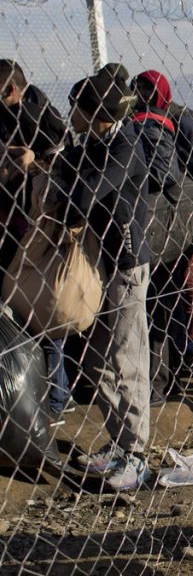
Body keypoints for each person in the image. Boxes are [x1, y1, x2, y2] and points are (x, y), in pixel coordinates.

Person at [49, 65, 152, 491]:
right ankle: (120, 442)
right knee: (103, 359)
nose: (69, 113)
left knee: (125, 359)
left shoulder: (125, 146)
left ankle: (136, 454)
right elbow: (72, 169)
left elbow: (86, 194)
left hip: (124, 264)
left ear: (94, 113)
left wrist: (59, 188)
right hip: (104, 263)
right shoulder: (99, 141)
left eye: (75, 107)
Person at [130, 69, 193, 403]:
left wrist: (185, 201)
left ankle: (166, 379)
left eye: (146, 90)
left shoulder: (175, 120)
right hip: (177, 221)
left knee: (166, 303)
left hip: (171, 221)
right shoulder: (161, 119)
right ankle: (173, 375)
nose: (142, 95)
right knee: (172, 301)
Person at [0, 59, 72, 415]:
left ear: (12, 90)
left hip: (39, 227)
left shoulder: (42, 112)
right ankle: (36, 393)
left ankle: (56, 397)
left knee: (44, 313)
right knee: (22, 310)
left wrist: (34, 161)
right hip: (16, 223)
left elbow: (64, 164)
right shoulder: (14, 114)